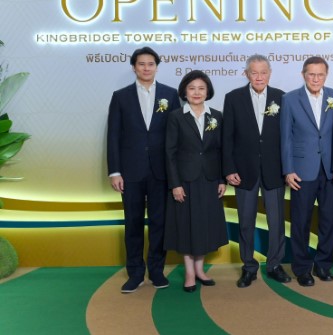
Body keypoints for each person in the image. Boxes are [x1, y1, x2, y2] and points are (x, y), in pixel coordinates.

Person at [106, 46, 180, 293]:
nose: (146, 68)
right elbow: (113, 136)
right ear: (134, 67)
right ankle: (135, 273)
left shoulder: (170, 94)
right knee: (133, 223)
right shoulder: (121, 96)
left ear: (156, 67)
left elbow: (176, 135)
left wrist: (176, 173)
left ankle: (156, 271)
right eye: (141, 64)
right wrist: (115, 171)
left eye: (151, 64)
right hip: (131, 172)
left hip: (162, 171)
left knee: (160, 223)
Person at [222, 55, 291, 288]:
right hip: (244, 171)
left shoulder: (282, 97)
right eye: (254, 72)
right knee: (245, 222)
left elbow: (287, 137)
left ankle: (274, 265)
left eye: (263, 72)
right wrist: (229, 169)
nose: (259, 77)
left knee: (276, 222)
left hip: (275, 170)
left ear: (269, 73)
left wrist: (288, 169)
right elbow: (227, 137)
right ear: (246, 74)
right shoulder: (233, 98)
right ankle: (249, 267)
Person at [164, 70, 228, 293]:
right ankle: (189, 273)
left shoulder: (216, 116)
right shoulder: (175, 116)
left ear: (207, 91)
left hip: (210, 179)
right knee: (186, 225)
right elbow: (169, 152)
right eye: (192, 88)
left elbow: (221, 150)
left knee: (204, 225)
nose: (197, 92)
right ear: (184, 92)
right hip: (185, 181)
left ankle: (200, 270)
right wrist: (175, 184)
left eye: (201, 88)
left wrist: (222, 179)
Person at [280, 56, 333, 287]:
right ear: (303, 75)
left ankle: (323, 265)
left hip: (330, 169)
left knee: (328, 221)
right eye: (311, 74)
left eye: (320, 74)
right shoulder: (290, 99)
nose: (315, 79)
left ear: (326, 75)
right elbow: (286, 137)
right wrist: (288, 170)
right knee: (301, 221)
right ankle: (302, 268)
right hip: (302, 171)